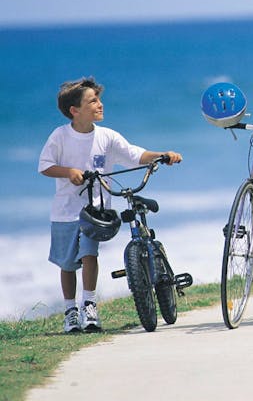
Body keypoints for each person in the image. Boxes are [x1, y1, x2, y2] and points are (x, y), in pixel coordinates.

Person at [38, 77, 182, 333]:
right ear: (75, 110)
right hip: (65, 212)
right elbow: (45, 166)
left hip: (94, 212)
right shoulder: (60, 136)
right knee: (67, 264)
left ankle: (89, 305)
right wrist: (68, 171)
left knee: (89, 254)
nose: (100, 105)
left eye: (99, 99)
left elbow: (135, 154)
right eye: (93, 101)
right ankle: (70, 310)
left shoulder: (107, 136)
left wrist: (162, 155)